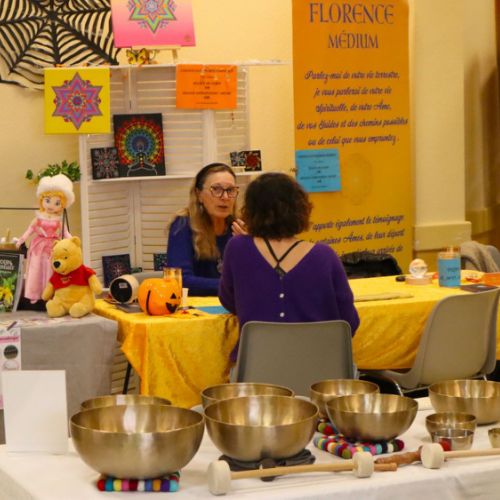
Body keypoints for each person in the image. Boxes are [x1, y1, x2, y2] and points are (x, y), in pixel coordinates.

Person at [219, 172, 360, 361]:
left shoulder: (238, 248)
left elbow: (228, 300)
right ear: (300, 209)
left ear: (250, 211)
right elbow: (349, 322)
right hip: (320, 370)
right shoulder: (325, 255)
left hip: (257, 370)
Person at [166, 163, 245, 296]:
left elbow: (255, 277)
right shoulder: (183, 225)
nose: (225, 197)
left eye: (230, 190)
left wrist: (249, 248)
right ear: (199, 195)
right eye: (216, 189)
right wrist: (230, 285)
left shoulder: (240, 227)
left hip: (234, 304)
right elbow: (180, 280)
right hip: (196, 306)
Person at [16, 174, 74, 303]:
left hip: (53, 246)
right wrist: (21, 240)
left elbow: (65, 232)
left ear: (62, 205)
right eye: (47, 200)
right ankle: (34, 294)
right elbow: (30, 230)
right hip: (38, 246)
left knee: (50, 269)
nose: (51, 205)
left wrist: (73, 241)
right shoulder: (38, 218)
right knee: (36, 268)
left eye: (57, 203)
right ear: (42, 200)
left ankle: (49, 294)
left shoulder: (58, 220)